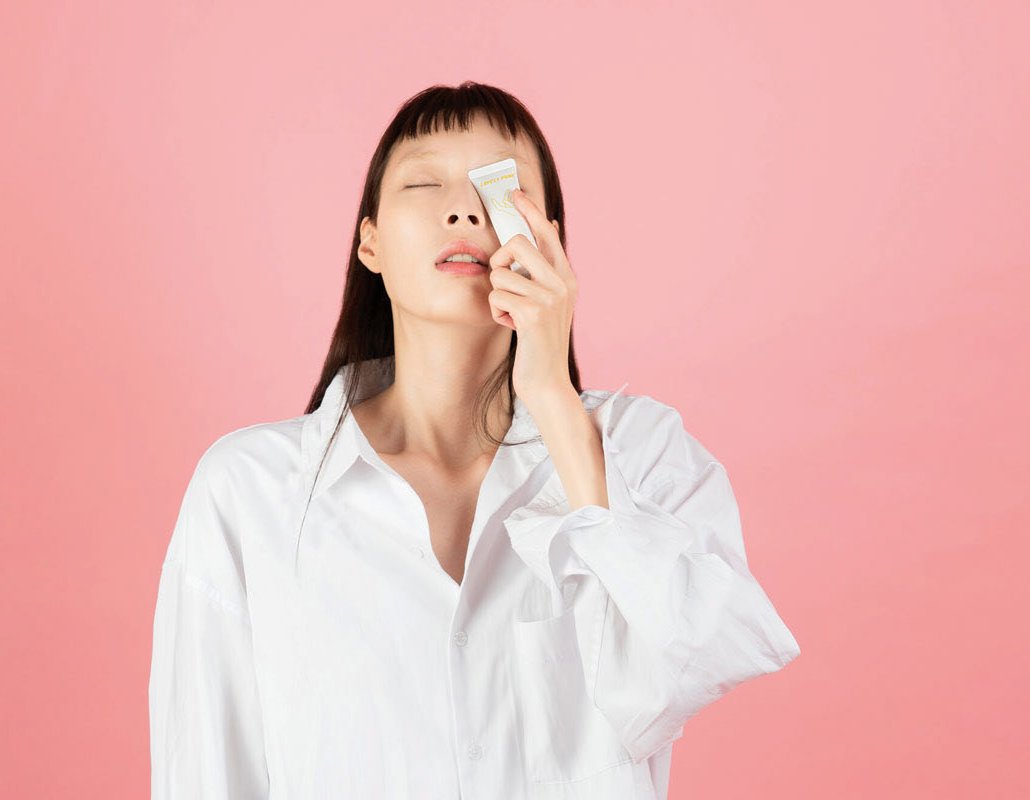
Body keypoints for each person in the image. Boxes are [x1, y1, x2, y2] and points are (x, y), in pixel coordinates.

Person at [149, 81, 801, 799]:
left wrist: (551, 397)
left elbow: (702, 653)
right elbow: (205, 772)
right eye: (423, 183)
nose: (462, 209)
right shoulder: (250, 492)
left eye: (498, 185)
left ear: (549, 239)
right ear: (370, 242)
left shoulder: (640, 450)